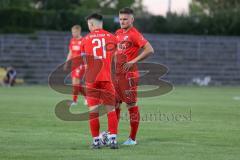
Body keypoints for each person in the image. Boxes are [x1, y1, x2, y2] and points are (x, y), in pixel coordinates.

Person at [114, 7, 154, 145]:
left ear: (132, 19)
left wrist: (133, 61)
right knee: (115, 104)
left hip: (129, 76)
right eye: (120, 19)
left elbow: (150, 49)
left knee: (131, 105)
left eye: (125, 19)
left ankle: (132, 138)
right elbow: (116, 52)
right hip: (117, 76)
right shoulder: (118, 33)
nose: (122, 21)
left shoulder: (134, 34)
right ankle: (112, 135)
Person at [81, 13, 119, 149]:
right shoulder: (112, 38)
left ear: (91, 24)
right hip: (107, 79)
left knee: (93, 112)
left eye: (88, 25)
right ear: (101, 23)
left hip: (92, 80)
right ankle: (113, 140)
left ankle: (96, 141)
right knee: (111, 111)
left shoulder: (84, 40)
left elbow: (85, 62)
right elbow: (117, 57)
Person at [64, 25, 86, 106]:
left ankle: (74, 101)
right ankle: (87, 98)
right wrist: (67, 62)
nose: (73, 33)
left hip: (80, 64)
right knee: (76, 84)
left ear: (79, 31)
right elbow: (70, 52)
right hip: (73, 64)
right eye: (72, 32)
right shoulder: (72, 40)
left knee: (75, 82)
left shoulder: (83, 40)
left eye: (75, 32)